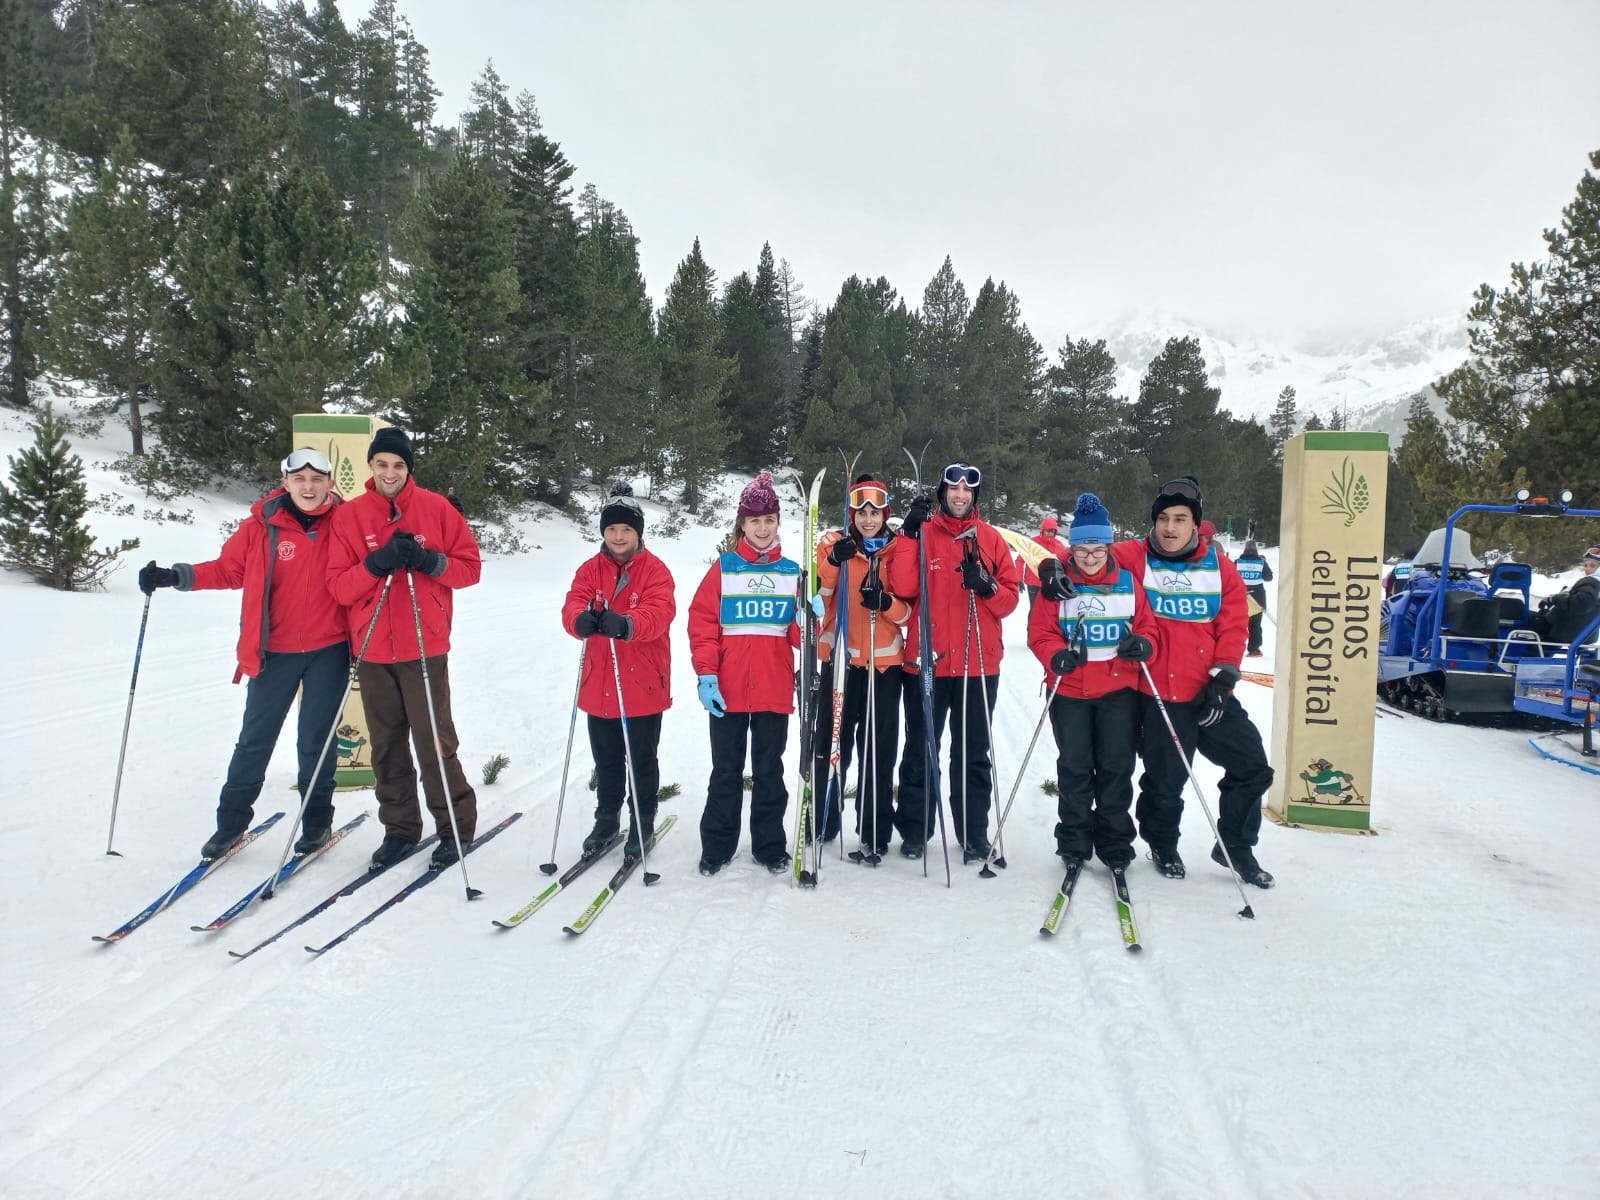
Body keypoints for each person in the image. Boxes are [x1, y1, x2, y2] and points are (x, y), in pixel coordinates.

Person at [138, 448, 350, 861]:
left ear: (329, 482)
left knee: (317, 742)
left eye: (317, 478)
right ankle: (230, 825)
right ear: (285, 482)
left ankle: (317, 822)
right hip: (273, 653)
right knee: (255, 741)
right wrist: (175, 575)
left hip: (331, 651)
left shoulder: (346, 523)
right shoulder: (261, 526)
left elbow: (386, 532)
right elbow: (228, 569)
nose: (308, 487)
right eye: (299, 479)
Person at [325, 427, 483, 871]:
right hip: (373, 647)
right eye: (382, 464)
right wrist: (376, 564)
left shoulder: (435, 509)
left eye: (398, 465)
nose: (390, 472)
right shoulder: (350, 517)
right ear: (371, 467)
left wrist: (431, 562)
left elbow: (469, 569)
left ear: (408, 468)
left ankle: (455, 826)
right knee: (386, 745)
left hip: (423, 645)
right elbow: (338, 587)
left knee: (434, 740)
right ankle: (400, 829)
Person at [1112, 476, 1275, 887]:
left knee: (1253, 765)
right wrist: (1053, 565)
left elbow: (1234, 624)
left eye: (1180, 519)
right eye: (1163, 518)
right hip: (1158, 694)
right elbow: (1084, 556)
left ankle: (1235, 845)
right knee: (1166, 779)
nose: (1169, 527)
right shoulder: (1133, 556)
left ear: (1194, 523)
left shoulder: (1218, 565)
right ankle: (1163, 843)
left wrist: (1224, 677)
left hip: (1207, 690)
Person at [887, 462, 1020, 862]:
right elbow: (904, 588)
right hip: (927, 662)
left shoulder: (991, 540)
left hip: (977, 665)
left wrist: (986, 585)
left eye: (967, 491)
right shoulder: (923, 535)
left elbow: (1010, 601)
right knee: (920, 748)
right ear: (943, 492)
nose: (960, 496)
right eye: (953, 489)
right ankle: (914, 830)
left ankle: (974, 832)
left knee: (973, 752)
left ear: (975, 497)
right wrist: (910, 534)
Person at [1029, 493, 1157, 869]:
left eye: (1097, 549)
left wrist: (1143, 644)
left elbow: (1148, 626)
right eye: (1082, 549)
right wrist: (1056, 656)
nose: (1089, 558)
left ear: (1108, 547)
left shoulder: (1128, 583)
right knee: (1075, 767)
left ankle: (1115, 843)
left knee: (1117, 768)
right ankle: (1073, 841)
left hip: (1118, 691)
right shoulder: (1059, 585)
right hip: (1070, 692)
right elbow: (1041, 632)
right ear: (1072, 548)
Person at [688, 471, 802, 875]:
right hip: (728, 689)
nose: (761, 527)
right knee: (726, 769)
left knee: (770, 770)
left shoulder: (792, 573)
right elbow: (702, 623)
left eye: (768, 519)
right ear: (742, 524)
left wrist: (810, 616)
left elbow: (799, 635)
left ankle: (770, 846)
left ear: (777, 522)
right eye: (754, 520)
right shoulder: (724, 569)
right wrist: (706, 675)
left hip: (772, 687)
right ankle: (717, 845)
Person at [561, 484, 676, 862]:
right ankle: (607, 819)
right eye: (612, 530)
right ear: (603, 532)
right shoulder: (590, 569)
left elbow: (660, 614)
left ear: (638, 532)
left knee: (642, 759)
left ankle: (642, 820)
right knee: (607, 759)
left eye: (626, 530)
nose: (619, 536)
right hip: (600, 686)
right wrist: (579, 619)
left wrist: (626, 623)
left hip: (642, 685)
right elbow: (573, 602)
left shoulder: (656, 570)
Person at [811, 475, 911, 860]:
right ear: (851, 514)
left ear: (885, 514)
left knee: (879, 750)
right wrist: (835, 562)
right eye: (860, 512)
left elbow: (907, 612)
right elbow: (819, 598)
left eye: (875, 513)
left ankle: (874, 830)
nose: (868, 520)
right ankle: (822, 821)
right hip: (840, 663)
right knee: (832, 746)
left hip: (884, 666)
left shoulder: (895, 550)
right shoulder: (832, 545)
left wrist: (884, 603)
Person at [1021, 515, 1070, 608]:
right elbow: (1020, 559)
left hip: (1050, 583)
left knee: (1048, 611)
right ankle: (1031, 623)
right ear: (1042, 530)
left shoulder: (1059, 546)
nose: (1050, 534)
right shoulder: (1032, 543)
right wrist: (1018, 578)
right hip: (1033, 583)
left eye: (1053, 531)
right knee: (1034, 610)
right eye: (1048, 531)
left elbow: (1064, 564)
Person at [1235, 540, 1274, 657]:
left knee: (1237, 624)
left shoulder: (1237, 562)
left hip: (1240, 596)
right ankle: (1254, 649)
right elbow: (1268, 577)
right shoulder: (1261, 563)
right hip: (1257, 598)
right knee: (1255, 625)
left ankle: (1234, 649)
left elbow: (1229, 576)